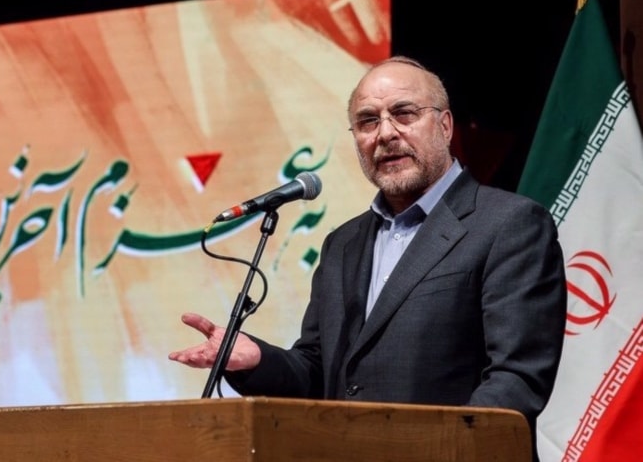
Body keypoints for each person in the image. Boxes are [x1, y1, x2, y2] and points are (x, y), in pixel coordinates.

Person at [168, 55, 567, 461]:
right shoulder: (342, 244)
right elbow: (318, 372)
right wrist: (255, 360)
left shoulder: (510, 224)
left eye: (404, 113)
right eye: (367, 121)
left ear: (445, 126)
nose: (385, 133)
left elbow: (516, 379)